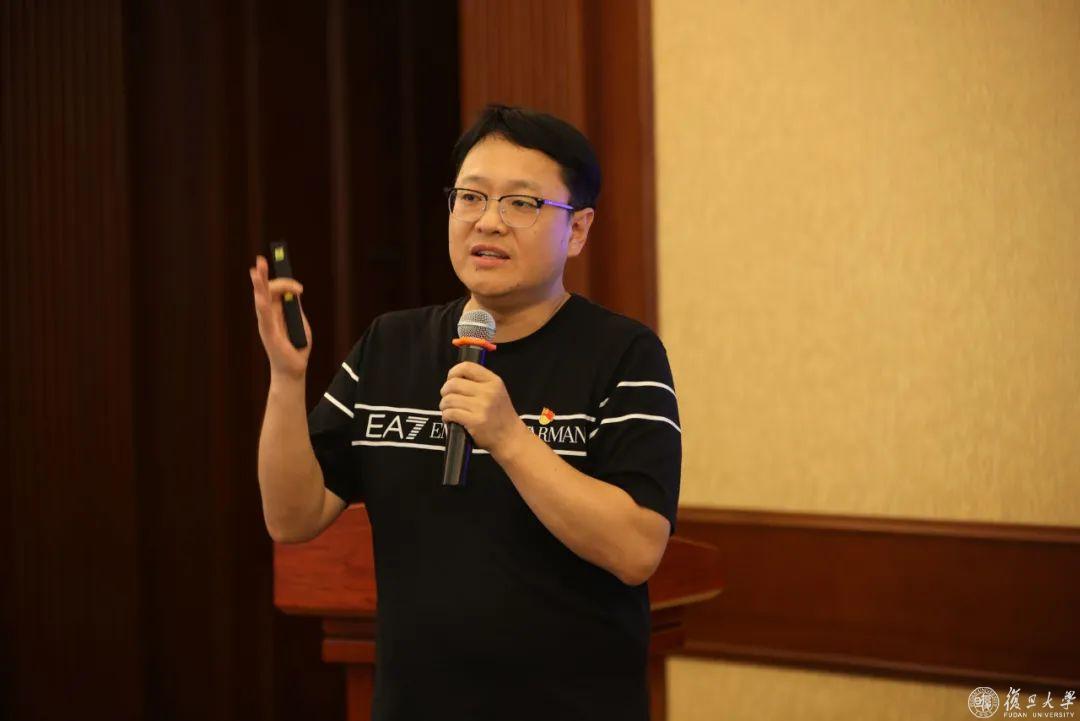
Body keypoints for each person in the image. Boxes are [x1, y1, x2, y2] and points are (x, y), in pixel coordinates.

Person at [249, 104, 681, 721]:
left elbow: (636, 549)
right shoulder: (390, 344)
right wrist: (287, 379)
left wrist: (509, 438)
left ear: (578, 229)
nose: (489, 221)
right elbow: (292, 517)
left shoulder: (624, 355)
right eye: (471, 197)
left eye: (521, 203)